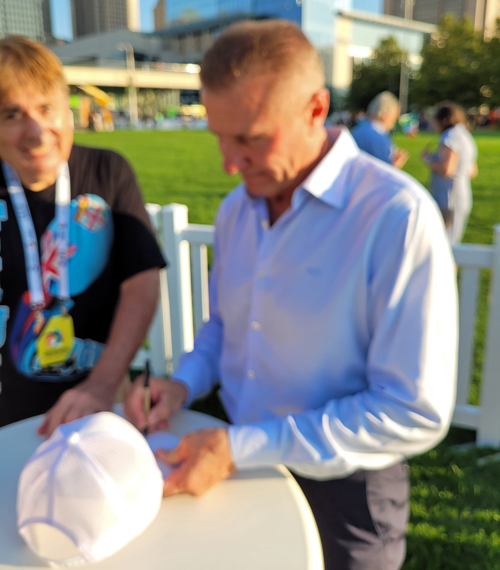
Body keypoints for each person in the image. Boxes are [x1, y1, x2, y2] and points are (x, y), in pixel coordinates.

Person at [125, 20, 457, 570]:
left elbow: (412, 408)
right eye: (220, 137)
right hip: (236, 456)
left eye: (252, 138)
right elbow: (225, 327)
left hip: (346, 485)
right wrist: (182, 384)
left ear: (316, 109)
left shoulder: (396, 217)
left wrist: (243, 447)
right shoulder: (237, 208)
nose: (230, 163)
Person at [0, 36, 165, 435]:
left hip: (101, 404)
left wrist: (103, 383)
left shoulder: (109, 171)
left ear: (69, 113)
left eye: (46, 109)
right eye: (11, 114)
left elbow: (141, 283)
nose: (37, 132)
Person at [421, 102, 478, 244]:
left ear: (443, 119)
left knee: (445, 245)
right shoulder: (465, 135)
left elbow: (447, 169)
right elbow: (472, 171)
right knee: (453, 242)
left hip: (448, 198)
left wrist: (427, 159)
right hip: (461, 195)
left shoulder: (450, 136)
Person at [351, 91, 410, 168]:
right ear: (386, 114)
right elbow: (383, 172)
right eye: (395, 115)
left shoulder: (357, 130)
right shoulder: (377, 136)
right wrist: (395, 165)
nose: (396, 120)